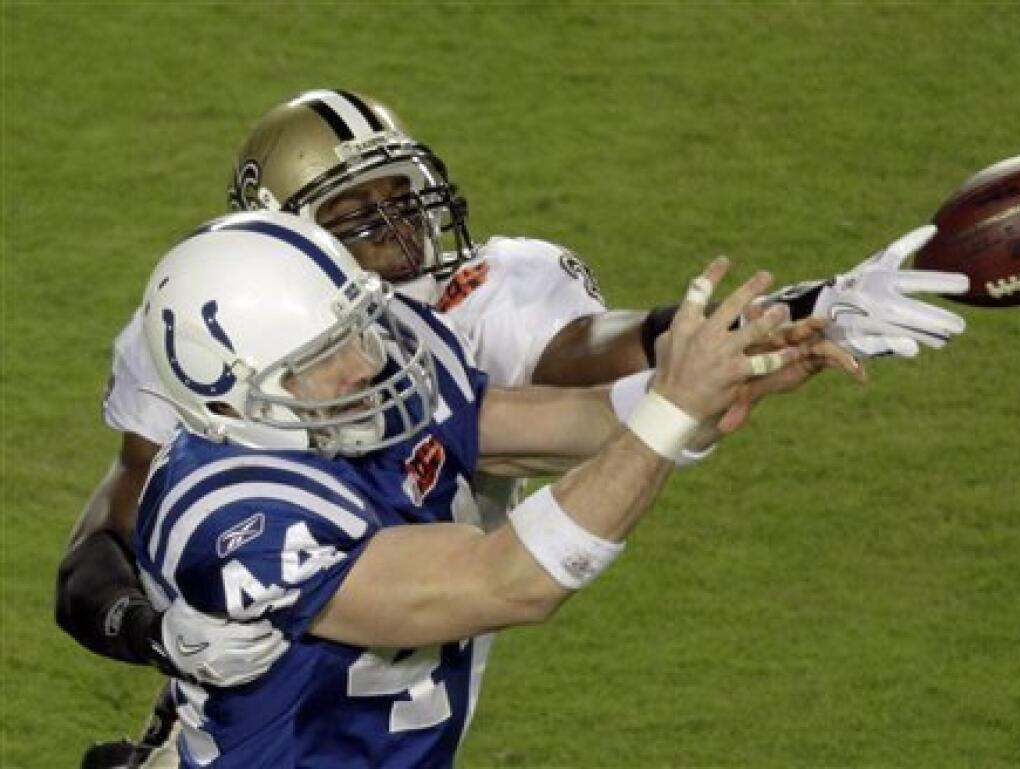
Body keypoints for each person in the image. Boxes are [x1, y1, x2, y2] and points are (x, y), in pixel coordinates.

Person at [57, 89, 967, 765]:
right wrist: (150, 627)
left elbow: (580, 398)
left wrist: (756, 353)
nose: (367, 360)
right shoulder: (232, 495)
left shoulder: (390, 339)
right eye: (355, 218)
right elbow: (512, 578)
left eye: (398, 196)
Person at [132, 209, 853, 766]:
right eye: (325, 354)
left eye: (357, 328)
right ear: (225, 392)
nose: (365, 364)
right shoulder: (227, 514)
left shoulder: (344, 407)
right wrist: (669, 412)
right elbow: (509, 580)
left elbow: (570, 422)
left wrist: (710, 381)